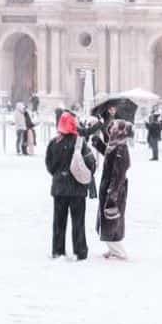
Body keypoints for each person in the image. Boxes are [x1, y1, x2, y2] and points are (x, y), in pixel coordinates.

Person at [45, 112, 98, 261]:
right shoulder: (79, 143)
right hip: (77, 190)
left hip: (59, 189)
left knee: (59, 222)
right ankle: (80, 251)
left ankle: (58, 250)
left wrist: (59, 175)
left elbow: (49, 165)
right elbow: (91, 165)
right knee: (78, 222)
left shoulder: (53, 143)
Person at [97, 119, 132, 260]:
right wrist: (98, 144)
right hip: (109, 187)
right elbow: (108, 156)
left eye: (114, 128)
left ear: (120, 132)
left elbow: (118, 174)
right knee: (109, 219)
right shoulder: (114, 146)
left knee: (111, 218)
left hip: (114, 189)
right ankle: (112, 248)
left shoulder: (120, 149)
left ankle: (118, 250)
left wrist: (112, 194)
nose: (111, 129)